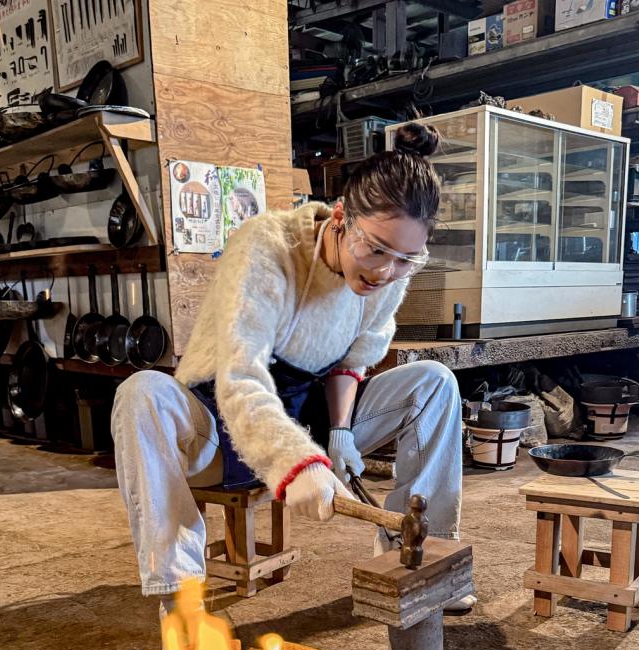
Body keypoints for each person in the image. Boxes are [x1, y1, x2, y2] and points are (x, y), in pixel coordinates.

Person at [112, 121, 473, 615]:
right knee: (141, 394)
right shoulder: (267, 247)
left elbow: (354, 359)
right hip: (222, 423)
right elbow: (240, 376)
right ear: (342, 217)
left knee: (434, 384)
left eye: (408, 259)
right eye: (376, 251)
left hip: (313, 413)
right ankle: (179, 595)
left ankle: (417, 561)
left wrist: (342, 433)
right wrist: (294, 462)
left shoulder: (388, 270)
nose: (386, 272)